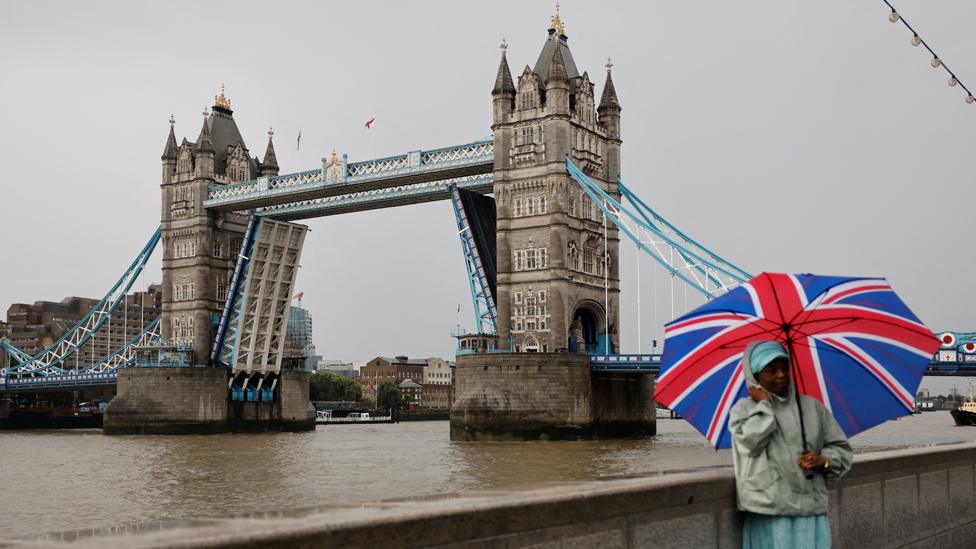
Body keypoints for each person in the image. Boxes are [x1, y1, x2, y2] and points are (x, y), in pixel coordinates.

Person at [729, 341, 853, 548]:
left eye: (785, 368)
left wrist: (824, 461)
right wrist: (765, 406)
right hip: (769, 512)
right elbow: (750, 443)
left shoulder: (812, 407)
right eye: (771, 370)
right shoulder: (743, 410)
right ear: (755, 377)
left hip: (810, 511)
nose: (781, 375)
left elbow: (840, 448)